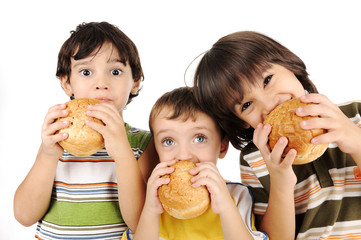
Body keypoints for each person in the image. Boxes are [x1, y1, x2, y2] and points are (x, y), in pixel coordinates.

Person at [192, 30, 361, 239]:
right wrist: (280, 182)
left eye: (267, 80)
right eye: (246, 105)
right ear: (242, 123)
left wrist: (354, 139)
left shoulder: (355, 115)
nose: (269, 104)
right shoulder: (254, 160)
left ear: (289, 66)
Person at [13, 21, 158, 239]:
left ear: (135, 82)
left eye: (116, 71)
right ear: (67, 84)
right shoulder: (57, 138)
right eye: (87, 71)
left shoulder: (143, 143)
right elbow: (24, 215)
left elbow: (140, 223)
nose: (101, 83)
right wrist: (46, 156)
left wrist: (122, 153)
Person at [122, 87, 268, 240]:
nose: (184, 155)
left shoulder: (237, 197)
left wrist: (226, 208)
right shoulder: (150, 201)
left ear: (223, 146)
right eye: (168, 141)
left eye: (199, 138)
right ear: (156, 151)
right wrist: (150, 211)